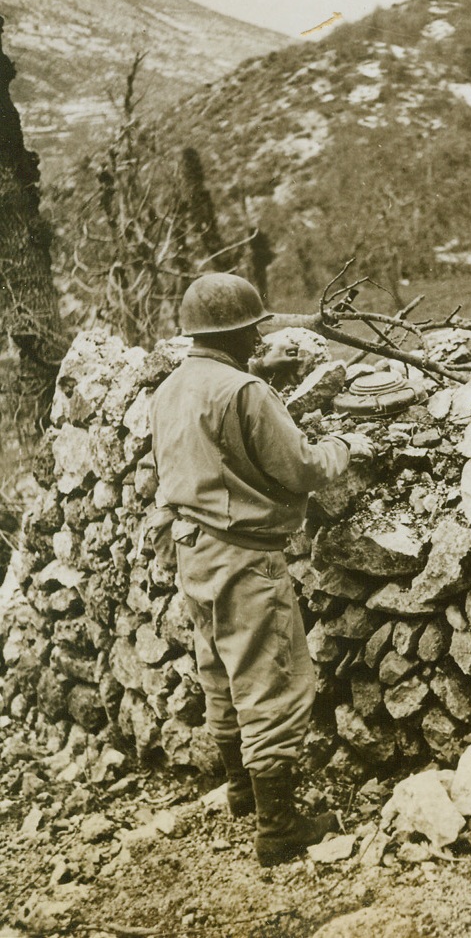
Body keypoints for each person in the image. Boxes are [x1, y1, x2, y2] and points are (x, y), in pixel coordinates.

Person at [149, 273, 374, 867]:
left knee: (220, 670)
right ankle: (279, 828)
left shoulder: (171, 388)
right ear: (240, 331)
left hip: (193, 548)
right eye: (254, 328)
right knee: (270, 680)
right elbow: (300, 468)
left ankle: (243, 792)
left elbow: (212, 437)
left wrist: (263, 383)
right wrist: (348, 446)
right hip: (244, 555)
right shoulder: (244, 391)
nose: (260, 336)